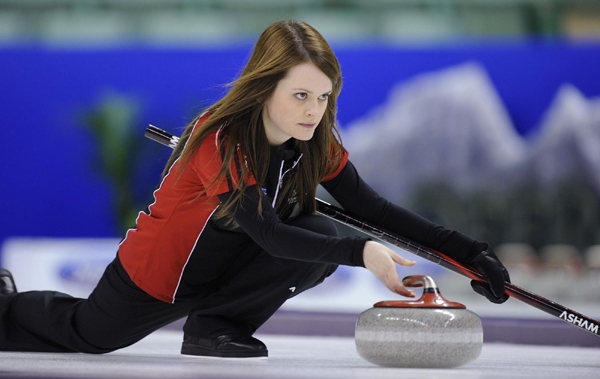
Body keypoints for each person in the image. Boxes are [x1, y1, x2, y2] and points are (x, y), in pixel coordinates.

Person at [0, 20, 510, 358]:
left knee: (317, 232)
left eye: (324, 97)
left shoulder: (315, 139)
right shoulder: (220, 139)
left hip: (225, 269)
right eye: (301, 95)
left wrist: (470, 253)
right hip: (159, 277)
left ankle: (214, 328)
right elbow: (267, 233)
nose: (314, 110)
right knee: (86, 335)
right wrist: (362, 252)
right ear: (266, 88)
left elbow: (373, 209)